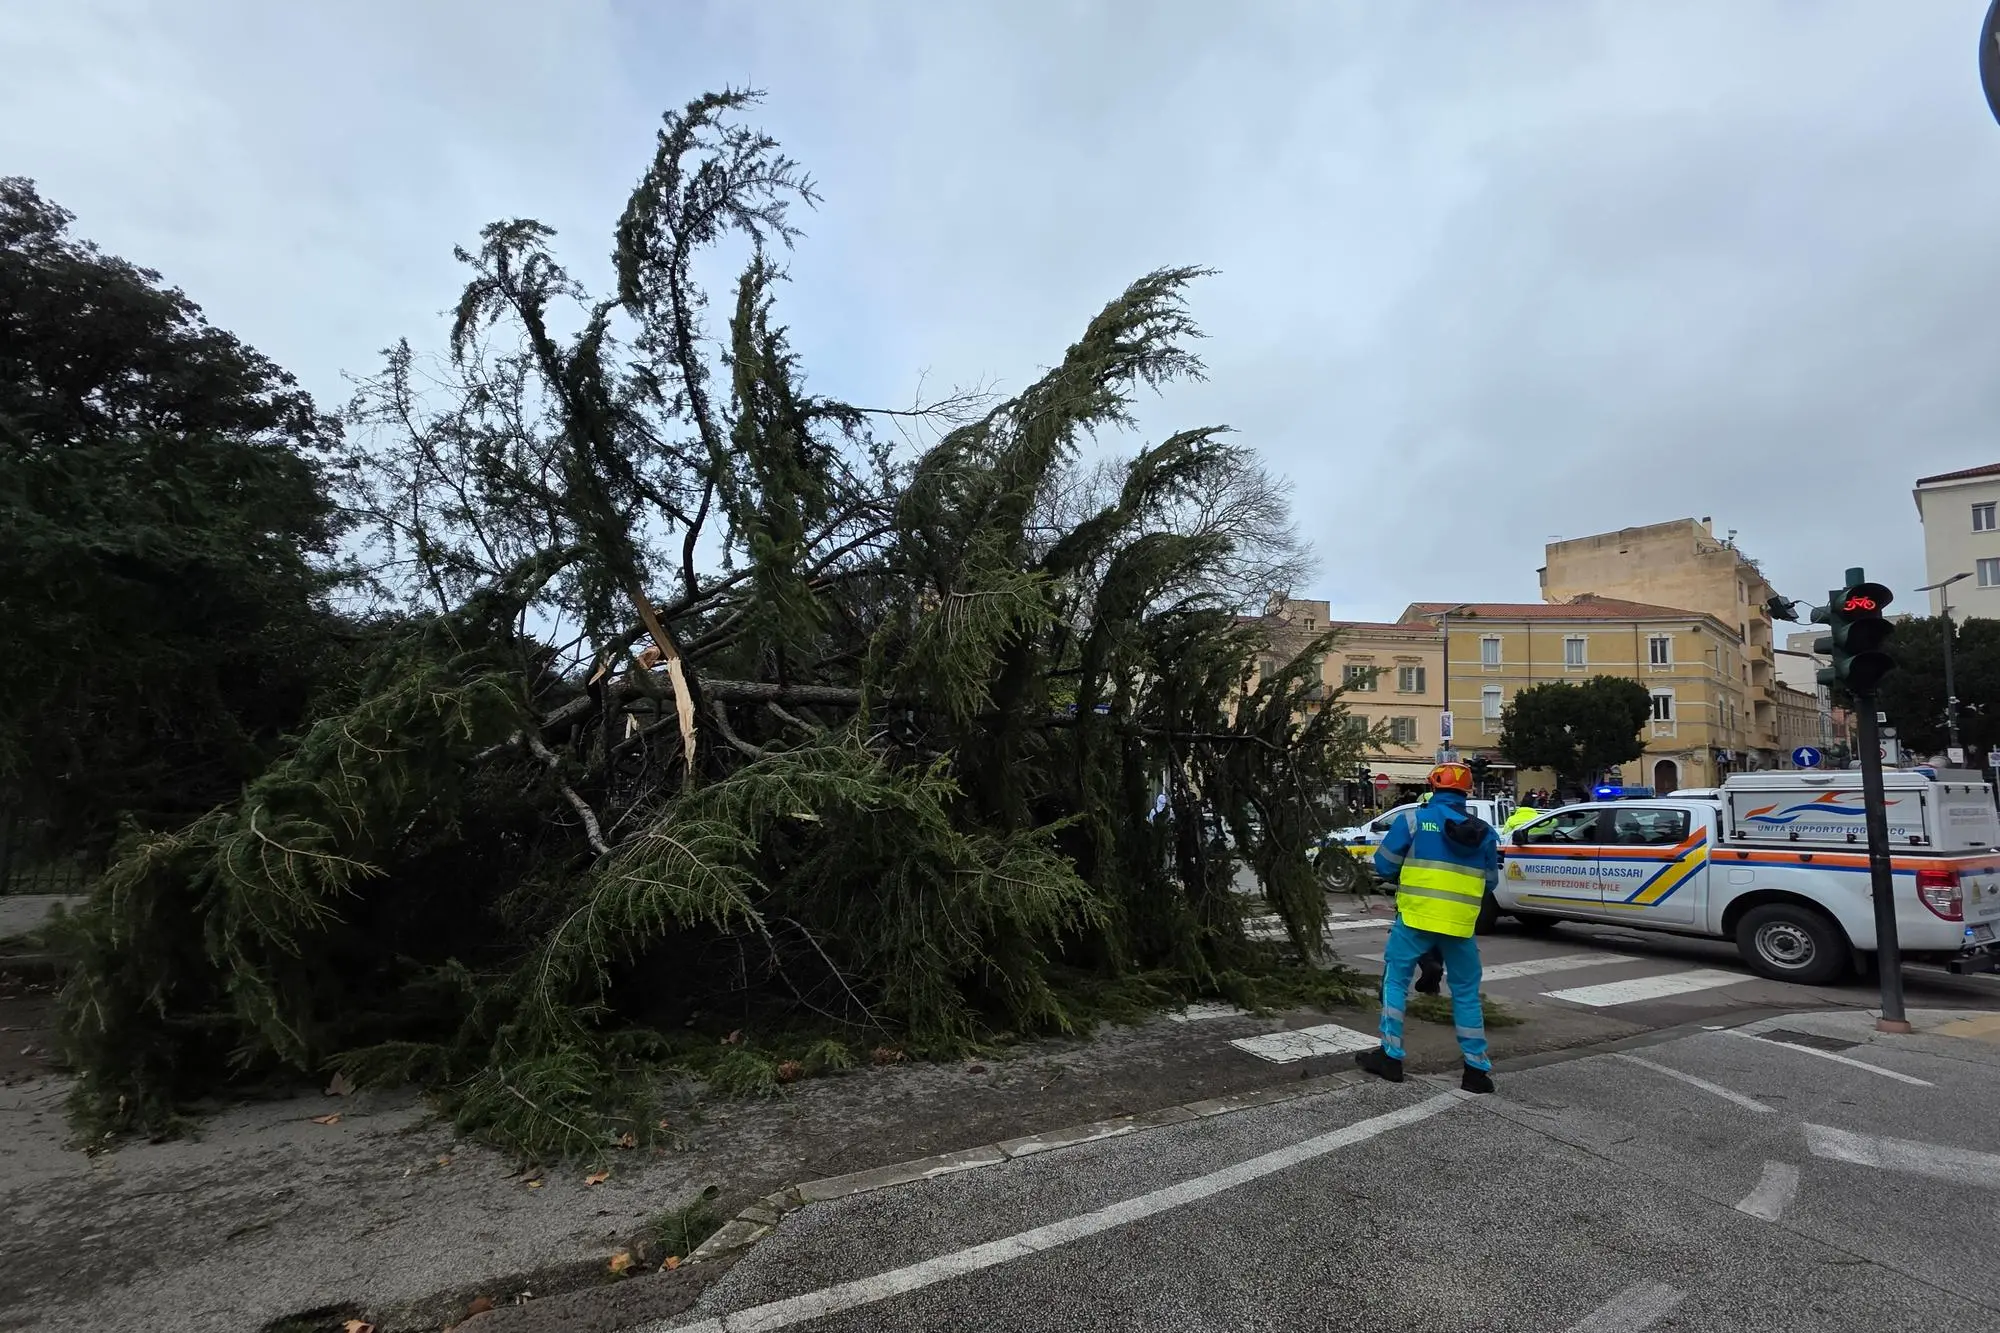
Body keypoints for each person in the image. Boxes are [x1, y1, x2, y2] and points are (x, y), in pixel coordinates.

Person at [1354, 761, 1500, 1094]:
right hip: (1460, 926)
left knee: (1395, 982)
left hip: (1416, 919)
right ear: (1467, 792)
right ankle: (1476, 1070)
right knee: (1465, 994)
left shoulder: (1413, 819)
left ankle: (1391, 1056)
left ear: (1433, 787)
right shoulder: (1483, 832)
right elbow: (1489, 882)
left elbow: (1384, 864)